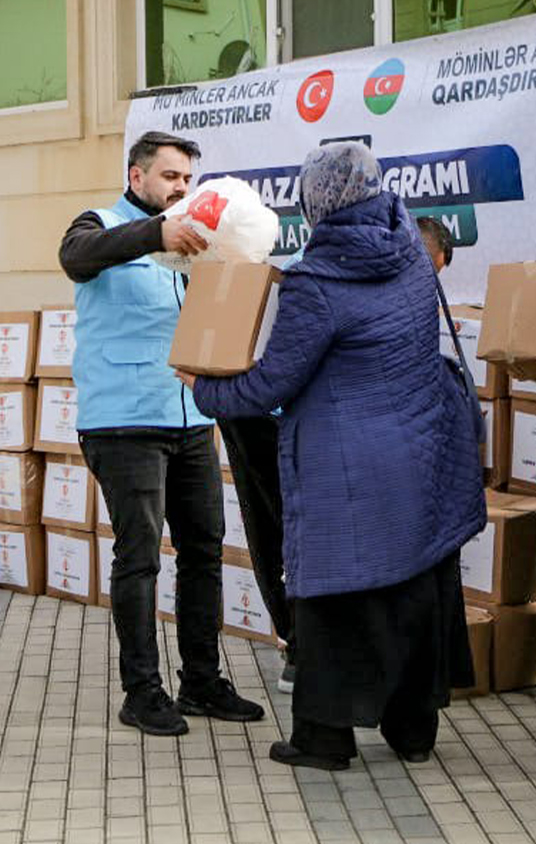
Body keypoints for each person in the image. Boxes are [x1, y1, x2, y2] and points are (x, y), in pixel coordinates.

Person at [182, 142, 485, 771]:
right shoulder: (410, 252)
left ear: (315, 201)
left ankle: (324, 737)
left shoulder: (316, 284)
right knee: (416, 583)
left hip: (348, 467)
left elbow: (271, 385)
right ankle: (412, 730)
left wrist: (205, 387)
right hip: (422, 451)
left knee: (334, 599)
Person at [58, 131, 264, 737]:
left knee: (204, 548)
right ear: (137, 175)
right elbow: (77, 257)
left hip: (192, 414)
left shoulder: (199, 238)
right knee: (140, 556)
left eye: (186, 179)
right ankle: (142, 691)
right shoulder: (99, 222)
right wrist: (156, 235)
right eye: (170, 176)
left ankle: (201, 681)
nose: (180, 188)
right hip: (123, 419)